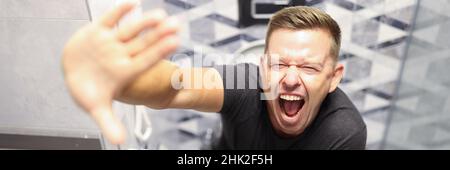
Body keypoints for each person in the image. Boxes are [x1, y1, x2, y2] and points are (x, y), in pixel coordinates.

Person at [62, 2, 366, 149]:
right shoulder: (246, 86)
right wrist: (119, 78)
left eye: (309, 67)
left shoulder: (344, 132)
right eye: (278, 64)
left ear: (334, 77)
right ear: (262, 67)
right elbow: (176, 88)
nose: (289, 79)